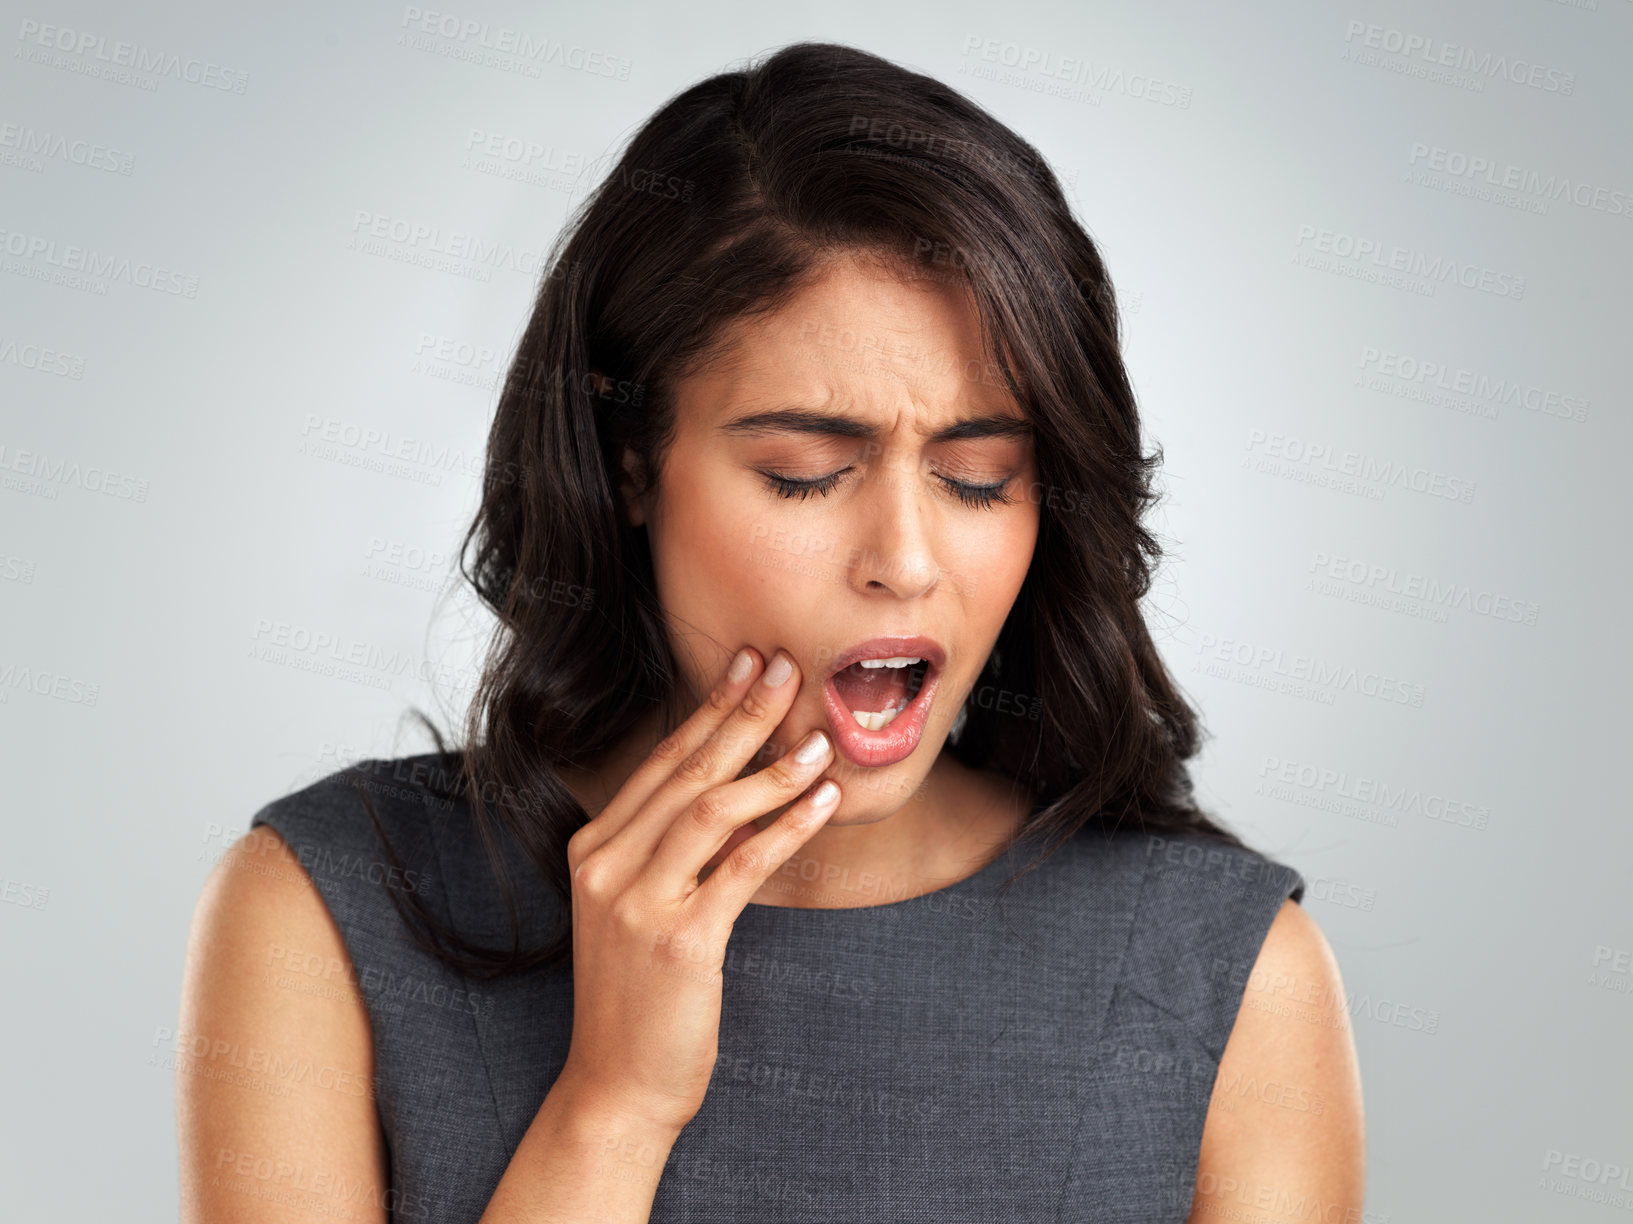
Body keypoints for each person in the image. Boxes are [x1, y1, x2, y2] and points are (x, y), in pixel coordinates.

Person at [176, 40, 1364, 1223]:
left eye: (980, 476)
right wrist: (613, 1106)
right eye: (803, 475)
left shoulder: (1230, 976)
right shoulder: (324, 917)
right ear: (631, 464)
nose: (903, 562)